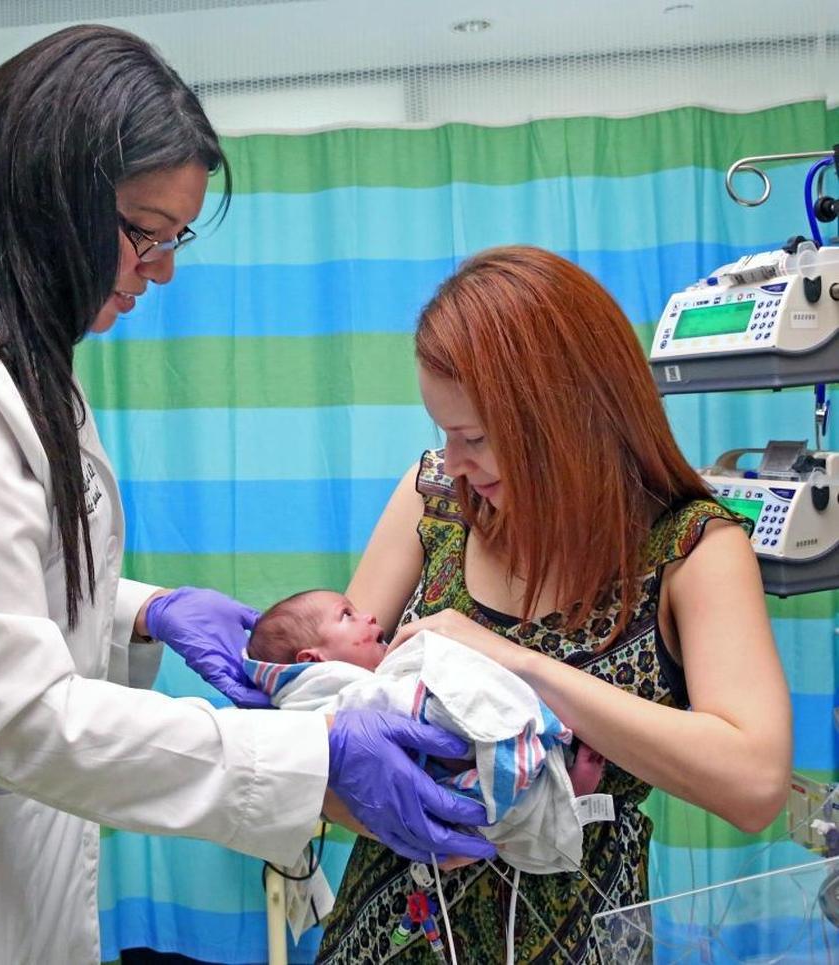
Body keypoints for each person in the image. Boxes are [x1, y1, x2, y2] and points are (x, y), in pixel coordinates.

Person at [0, 26, 494, 964]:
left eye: (172, 238)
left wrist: (146, 613)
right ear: (47, 193)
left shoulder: (15, 358)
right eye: (143, 232)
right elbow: (19, 708)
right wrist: (314, 758)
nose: (159, 269)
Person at [314, 246, 792, 964]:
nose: (456, 459)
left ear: (567, 416)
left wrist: (517, 664)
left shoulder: (691, 547)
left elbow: (754, 783)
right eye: (445, 432)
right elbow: (324, 731)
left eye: (474, 436)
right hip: (394, 925)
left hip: (582, 932)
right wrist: (408, 819)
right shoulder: (433, 499)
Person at [245, 589, 606, 874]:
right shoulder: (333, 699)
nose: (369, 615)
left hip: (443, 765)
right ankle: (559, 792)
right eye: (347, 615)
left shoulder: (360, 680)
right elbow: (386, 700)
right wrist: (425, 697)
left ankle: (549, 790)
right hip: (431, 789)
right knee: (479, 804)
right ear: (312, 660)